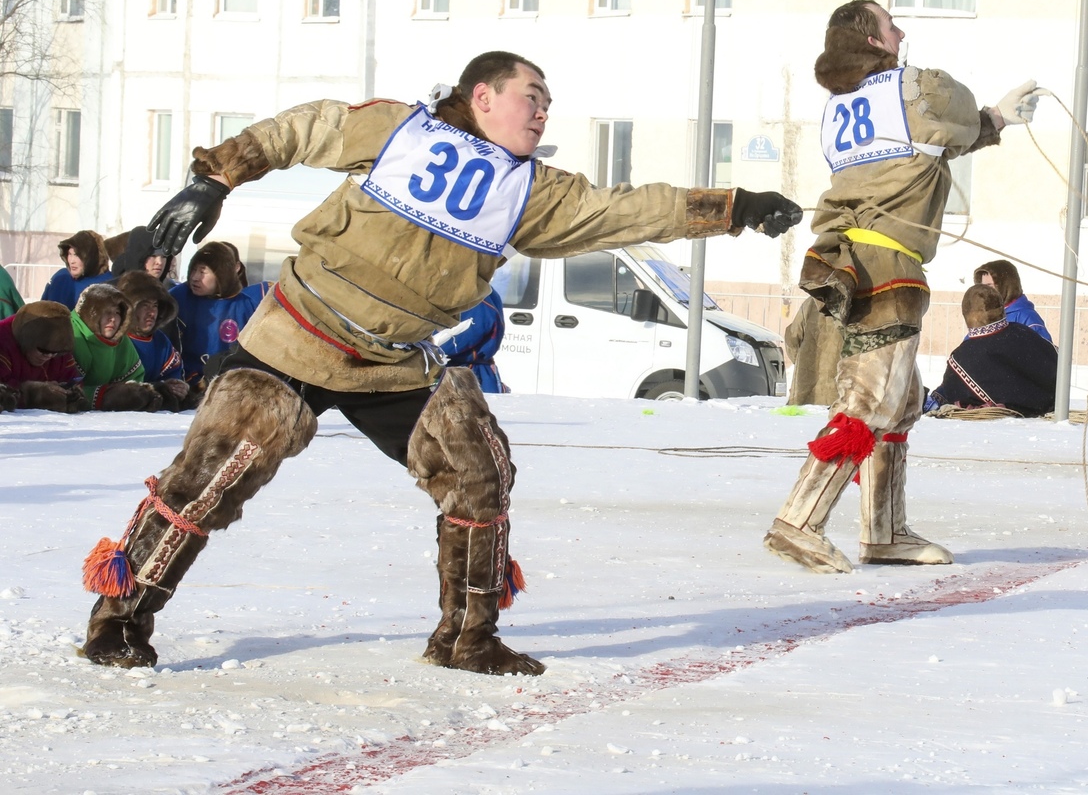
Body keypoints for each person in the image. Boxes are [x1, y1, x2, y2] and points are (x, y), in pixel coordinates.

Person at [80, 50, 801, 676]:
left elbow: (625, 210)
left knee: (478, 470)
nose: (544, 112)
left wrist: (734, 206)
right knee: (214, 472)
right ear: (482, 96)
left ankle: (469, 638)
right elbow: (305, 126)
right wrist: (216, 177)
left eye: (550, 103)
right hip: (297, 333)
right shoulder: (400, 129)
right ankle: (118, 619)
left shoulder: (532, 191)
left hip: (393, 360)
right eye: (532, 97)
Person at [763, 0, 1041, 573]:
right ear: (873, 41)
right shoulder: (916, 89)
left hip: (851, 257)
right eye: (891, 25)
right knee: (873, 402)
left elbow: (928, 143)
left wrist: (993, 121)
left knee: (903, 402)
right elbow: (953, 119)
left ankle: (885, 532)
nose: (902, 31)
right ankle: (799, 521)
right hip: (885, 265)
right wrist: (996, 117)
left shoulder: (843, 104)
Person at [923, 285, 1057, 416]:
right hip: (1052, 407)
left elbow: (951, 392)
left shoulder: (964, 356)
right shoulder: (1023, 331)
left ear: (967, 314)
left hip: (1005, 422)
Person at [168, 241, 263, 396]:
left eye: (203, 272)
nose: (195, 278)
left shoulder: (246, 304)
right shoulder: (178, 298)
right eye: (193, 270)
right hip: (187, 387)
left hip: (231, 388)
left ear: (222, 275)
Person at [70, 283, 163, 412]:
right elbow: (64, 391)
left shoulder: (121, 342)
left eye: (117, 313)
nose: (112, 319)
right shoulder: (71, 336)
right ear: (91, 313)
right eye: (106, 312)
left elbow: (135, 382)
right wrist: (107, 396)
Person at [116, 270, 190, 412]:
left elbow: (173, 374)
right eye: (144, 305)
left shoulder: (161, 342)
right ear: (130, 307)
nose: (151, 312)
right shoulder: (115, 340)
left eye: (155, 306)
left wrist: (178, 387)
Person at [0, 301, 86, 412]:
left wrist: (67, 392)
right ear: (27, 340)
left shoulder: (59, 352)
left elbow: (71, 378)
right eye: (43, 350)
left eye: (55, 352)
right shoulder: (3, 343)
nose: (49, 356)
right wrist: (34, 392)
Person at [439, 287, 505, 393]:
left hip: (467, 373)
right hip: (448, 369)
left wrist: (423, 344)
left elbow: (473, 329)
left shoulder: (475, 293)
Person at [972, 258, 1052, 342]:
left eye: (990, 286)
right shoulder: (984, 316)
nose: (985, 291)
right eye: (983, 287)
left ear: (1006, 286)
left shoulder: (1027, 318)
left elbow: (1044, 351)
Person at [784, 297, 840, 406]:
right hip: (839, 396)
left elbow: (792, 337)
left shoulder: (811, 302)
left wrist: (801, 363)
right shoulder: (856, 301)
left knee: (802, 421)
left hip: (804, 393)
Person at [40, 230, 113, 310]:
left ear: (90, 257)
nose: (71, 261)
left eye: (77, 255)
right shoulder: (60, 278)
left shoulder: (107, 282)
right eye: (69, 254)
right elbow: (42, 310)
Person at [108, 226, 177, 282]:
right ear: (138, 257)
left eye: (164, 256)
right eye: (152, 255)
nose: (159, 262)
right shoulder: (112, 294)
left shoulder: (169, 295)